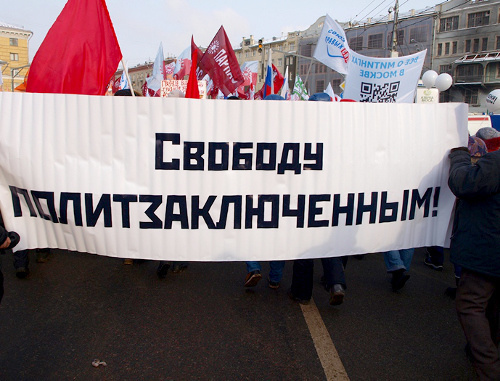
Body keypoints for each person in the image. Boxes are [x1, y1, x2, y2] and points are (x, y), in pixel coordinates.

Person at [448, 145, 500, 380]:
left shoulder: (496, 162)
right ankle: (481, 353)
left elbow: (464, 183)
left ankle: (489, 369)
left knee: (470, 304)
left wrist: (459, 158)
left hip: (487, 249)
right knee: (493, 305)